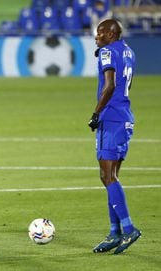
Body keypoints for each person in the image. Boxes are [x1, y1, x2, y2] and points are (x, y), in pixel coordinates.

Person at [88, 19, 141, 254]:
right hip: (125, 117)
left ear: (111, 34)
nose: (96, 36)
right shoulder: (128, 50)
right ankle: (114, 232)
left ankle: (128, 229)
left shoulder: (107, 52)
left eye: (100, 32)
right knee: (109, 175)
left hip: (111, 118)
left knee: (108, 176)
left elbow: (109, 85)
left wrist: (96, 113)